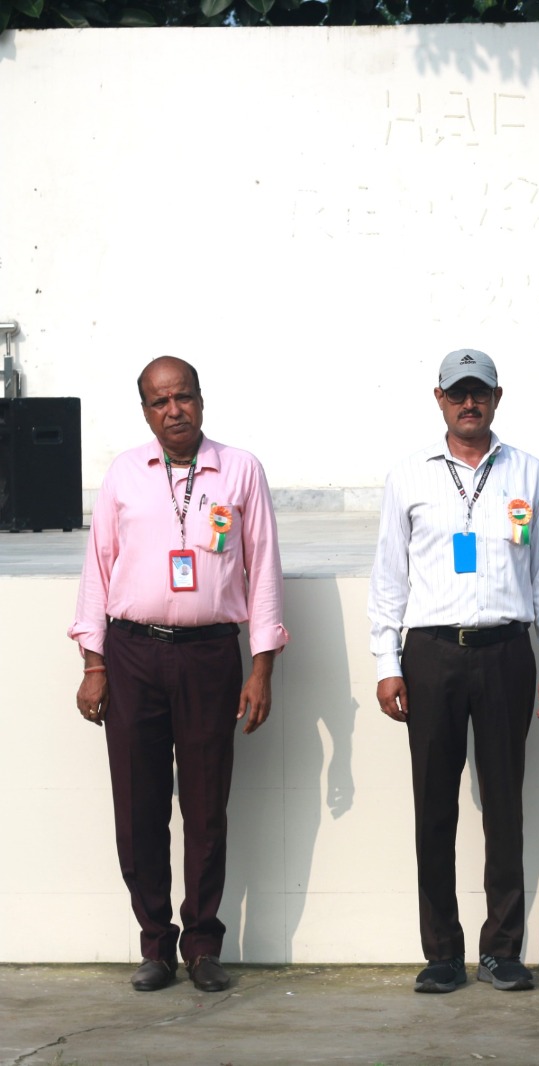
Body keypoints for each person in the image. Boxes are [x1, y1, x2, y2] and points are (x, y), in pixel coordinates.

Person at [69, 356, 288, 993]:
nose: (174, 411)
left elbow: (264, 571)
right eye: (160, 401)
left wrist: (262, 667)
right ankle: (155, 945)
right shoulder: (123, 473)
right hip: (132, 654)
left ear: (201, 400)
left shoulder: (239, 470)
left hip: (209, 655)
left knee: (206, 805)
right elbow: (98, 568)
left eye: (183, 397)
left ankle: (203, 945)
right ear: (145, 411)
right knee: (138, 806)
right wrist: (93, 661)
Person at [368, 349, 539, 994]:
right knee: (434, 805)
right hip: (430, 654)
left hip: (506, 651)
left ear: (496, 396)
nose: (468, 403)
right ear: (439, 399)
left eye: (478, 391)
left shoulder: (528, 472)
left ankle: (502, 950)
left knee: (504, 804)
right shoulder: (409, 476)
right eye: (457, 393)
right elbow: (389, 576)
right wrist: (386, 661)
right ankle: (441, 953)